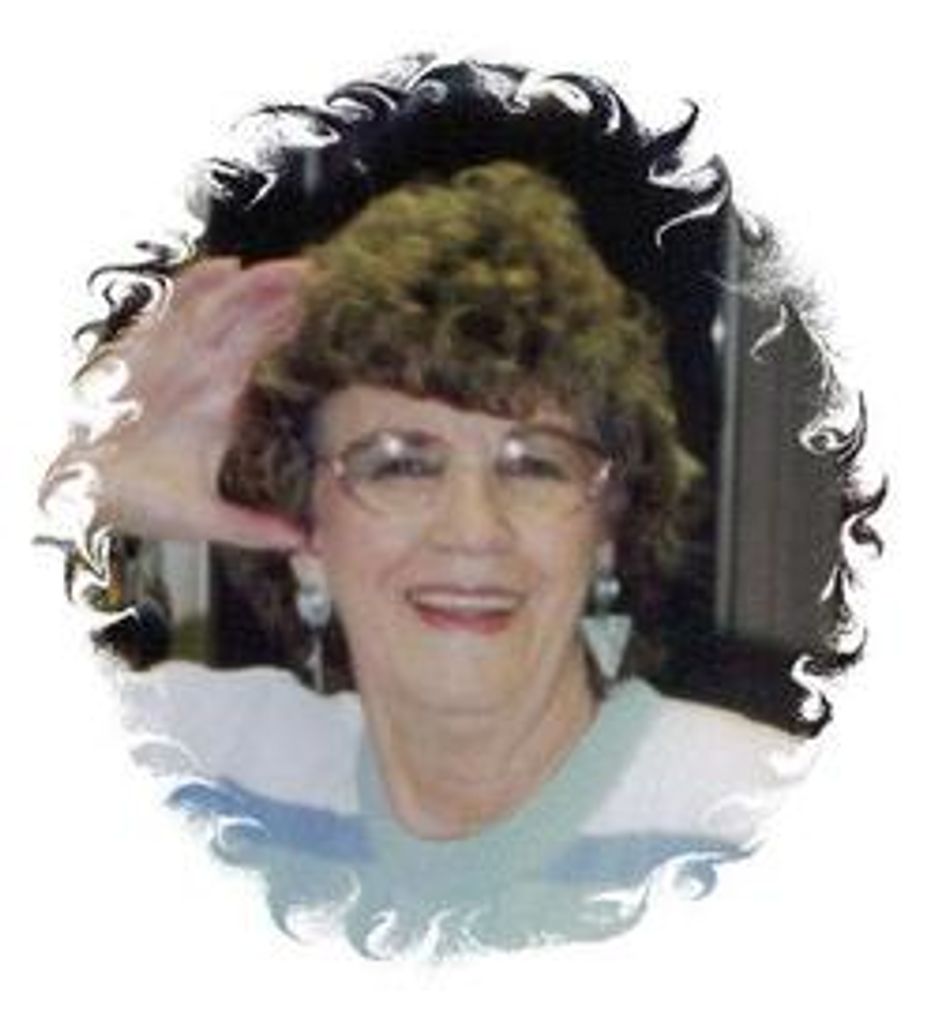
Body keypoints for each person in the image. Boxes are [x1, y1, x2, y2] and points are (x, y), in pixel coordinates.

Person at [43, 56, 821, 959]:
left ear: (608, 528)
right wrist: (77, 474)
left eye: (536, 466)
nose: (472, 529)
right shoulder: (196, 766)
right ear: (307, 532)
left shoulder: (749, 816)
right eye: (401, 465)